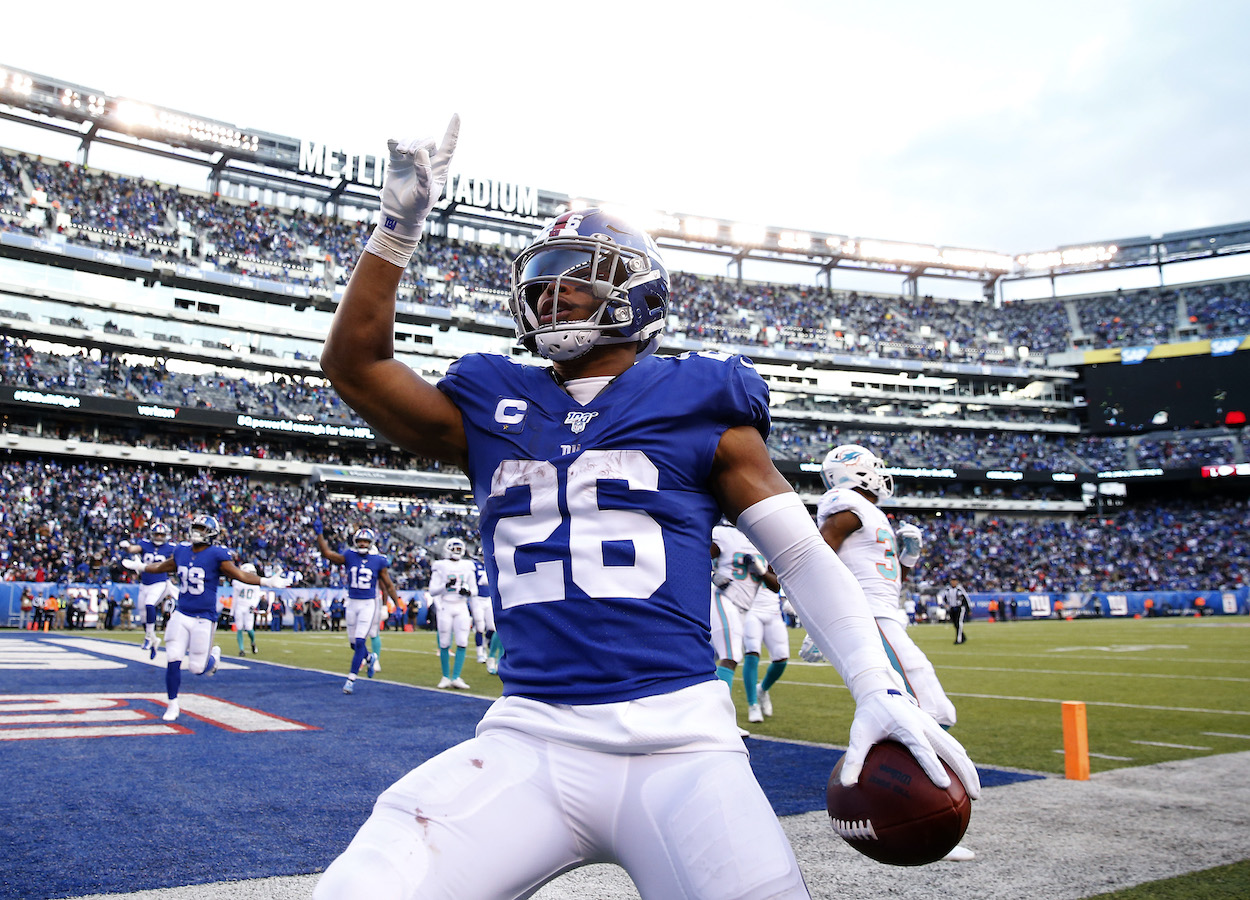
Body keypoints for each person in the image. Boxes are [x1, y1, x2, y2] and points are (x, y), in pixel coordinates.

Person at [313, 118, 978, 900]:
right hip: (531, 735)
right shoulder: (491, 397)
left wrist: (877, 687)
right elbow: (354, 365)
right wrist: (398, 230)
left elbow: (800, 553)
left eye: (576, 276)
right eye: (545, 277)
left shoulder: (699, 396)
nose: (550, 291)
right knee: (367, 885)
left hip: (683, 746)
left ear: (636, 290)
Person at [815, 445, 972, 861]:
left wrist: (908, 559)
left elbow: (885, 575)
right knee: (925, 711)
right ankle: (915, 812)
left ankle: (916, 806)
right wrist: (818, 613)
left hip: (884, 615)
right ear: (856, 473)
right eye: (873, 467)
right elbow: (816, 555)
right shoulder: (847, 506)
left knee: (934, 712)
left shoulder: (870, 513)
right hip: (869, 618)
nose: (881, 473)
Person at [123, 514, 287, 722]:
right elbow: (162, 567)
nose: (196, 532)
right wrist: (141, 568)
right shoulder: (182, 551)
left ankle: (214, 657)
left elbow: (240, 575)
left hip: (204, 618)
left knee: (198, 668)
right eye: (195, 527)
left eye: (201, 529)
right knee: (173, 658)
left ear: (211, 533)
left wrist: (267, 581)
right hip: (181, 614)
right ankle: (172, 704)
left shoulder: (217, 554)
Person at [710, 521, 781, 725]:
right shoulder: (725, 534)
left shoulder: (765, 543)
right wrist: (712, 573)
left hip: (743, 607)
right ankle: (720, 721)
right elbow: (693, 555)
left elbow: (775, 585)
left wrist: (761, 572)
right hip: (723, 597)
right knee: (731, 654)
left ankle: (684, 704)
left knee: (708, 656)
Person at [314, 524, 396, 694]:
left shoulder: (379, 560)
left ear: (371, 542)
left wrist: (396, 603)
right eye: (360, 541)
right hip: (352, 603)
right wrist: (320, 534)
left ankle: (351, 679)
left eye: (366, 541)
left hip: (368, 604)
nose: (363, 544)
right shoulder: (349, 555)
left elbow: (387, 584)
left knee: (360, 641)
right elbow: (327, 554)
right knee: (353, 644)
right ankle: (369, 657)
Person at [120, 521, 179, 659]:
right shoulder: (145, 544)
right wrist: (127, 546)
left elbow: (177, 560)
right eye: (156, 534)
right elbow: (133, 549)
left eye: (161, 534)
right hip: (144, 583)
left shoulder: (171, 548)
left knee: (149, 604)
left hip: (160, 582)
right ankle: (153, 639)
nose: (158, 537)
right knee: (143, 613)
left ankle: (148, 637)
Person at [426, 537, 476, 689]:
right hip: (446, 605)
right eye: (454, 549)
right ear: (447, 549)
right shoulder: (440, 565)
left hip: (461, 605)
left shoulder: (468, 565)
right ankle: (446, 676)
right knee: (444, 642)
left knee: (462, 641)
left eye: (459, 549)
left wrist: (466, 591)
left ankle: (456, 677)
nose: (457, 552)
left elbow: (475, 590)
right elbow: (433, 590)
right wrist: (445, 586)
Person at [232, 563, 262, 656]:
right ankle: (241, 650)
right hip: (239, 606)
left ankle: (253, 642)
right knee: (239, 628)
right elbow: (235, 597)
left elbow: (257, 597)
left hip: (249, 607)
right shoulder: (237, 582)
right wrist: (231, 612)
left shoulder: (255, 584)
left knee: (249, 629)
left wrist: (253, 605)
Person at [940, 577, 972, 644]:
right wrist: (945, 604)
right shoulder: (947, 589)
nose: (953, 582)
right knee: (955, 624)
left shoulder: (960, 589)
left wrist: (968, 609)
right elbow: (943, 598)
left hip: (959, 608)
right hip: (952, 607)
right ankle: (963, 637)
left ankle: (959, 640)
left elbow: (966, 599)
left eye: (955, 581)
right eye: (952, 581)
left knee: (959, 623)